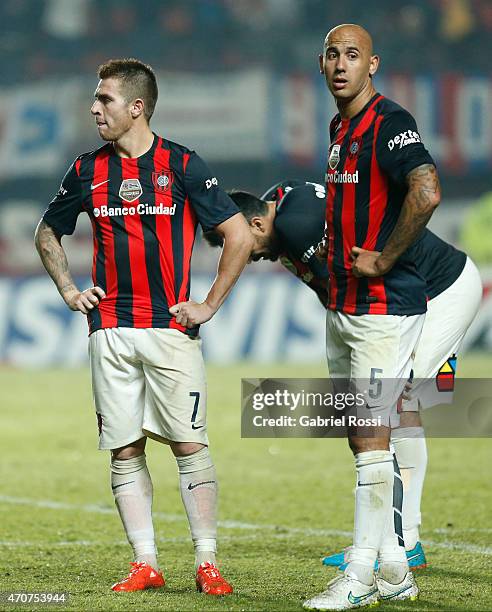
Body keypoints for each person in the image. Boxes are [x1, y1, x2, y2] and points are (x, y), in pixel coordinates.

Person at [34, 58, 253, 595]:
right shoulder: (87, 170)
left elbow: (240, 235)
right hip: (108, 329)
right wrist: (67, 289)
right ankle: (146, 562)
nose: (94, 108)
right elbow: (47, 232)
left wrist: (208, 305)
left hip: (170, 330)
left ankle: (207, 563)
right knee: (125, 447)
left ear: (136, 107)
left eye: (103, 99)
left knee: (188, 444)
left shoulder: (182, 164)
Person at [205, 180, 482, 574]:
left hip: (441, 292)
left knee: (392, 404)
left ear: (255, 224)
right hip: (420, 295)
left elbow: (345, 289)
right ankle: (403, 540)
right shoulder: (285, 212)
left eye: (233, 244)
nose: (242, 258)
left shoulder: (298, 224)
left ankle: (398, 543)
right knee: (401, 406)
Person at [311, 23, 441, 610]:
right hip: (347, 306)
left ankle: (359, 576)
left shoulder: (390, 123)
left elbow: (427, 189)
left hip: (383, 309)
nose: (342, 64)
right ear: (322, 65)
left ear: (374, 65)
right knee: (362, 439)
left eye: (353, 56)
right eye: (333, 55)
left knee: (371, 439)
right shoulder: (341, 127)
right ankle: (393, 568)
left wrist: (386, 257)